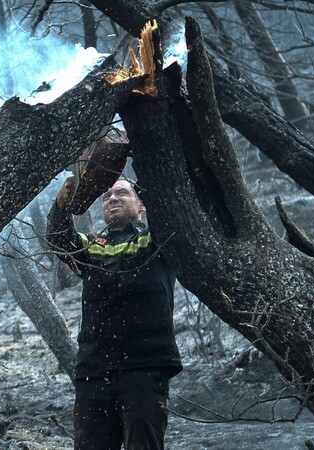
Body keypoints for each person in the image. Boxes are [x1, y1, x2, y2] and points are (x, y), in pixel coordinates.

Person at [47, 176, 182, 450]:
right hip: (93, 375)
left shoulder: (157, 240)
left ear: (140, 204)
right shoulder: (93, 246)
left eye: (122, 192)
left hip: (145, 370)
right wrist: (60, 206)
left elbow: (169, 213)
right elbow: (60, 240)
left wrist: (148, 179)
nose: (112, 199)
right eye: (106, 196)